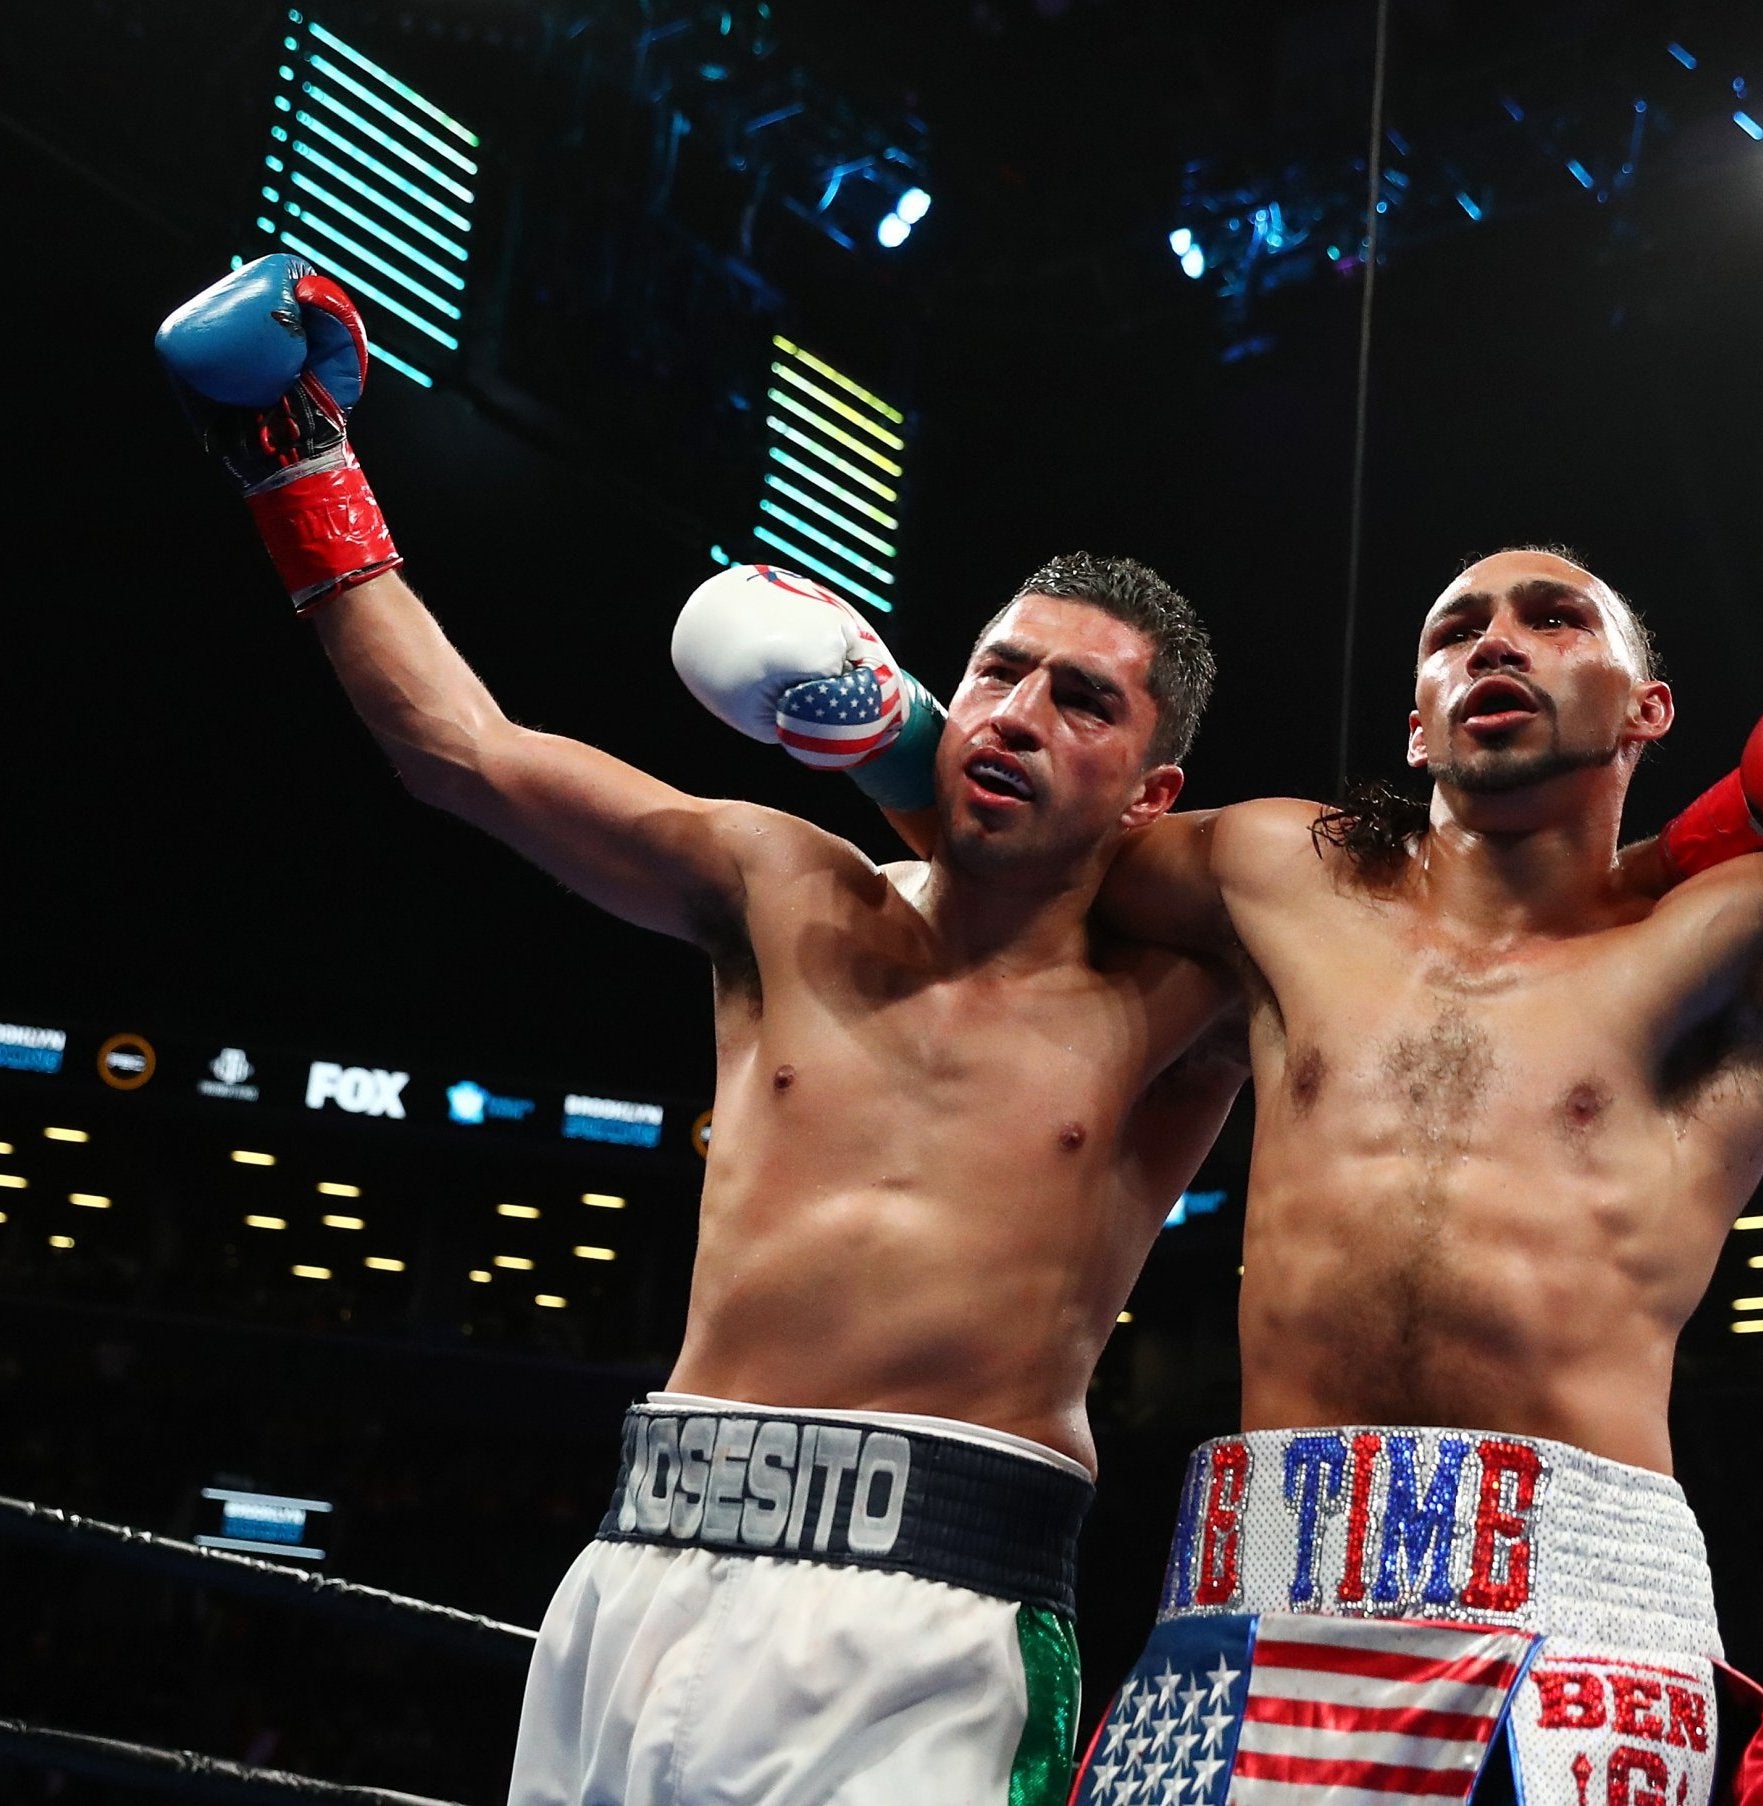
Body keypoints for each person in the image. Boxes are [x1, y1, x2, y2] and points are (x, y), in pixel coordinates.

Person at [1058, 169, 1763, 1805]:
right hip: (1250, 1594)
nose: (1493, 640)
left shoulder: (1740, 936)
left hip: (1574, 1614)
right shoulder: (1270, 874)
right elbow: (1014, 862)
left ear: (1648, 707)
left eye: (1550, 614)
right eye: (1455, 628)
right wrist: (874, 724)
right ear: (1414, 718)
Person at [155, 257, 1251, 1806]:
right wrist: (300, 465)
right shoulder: (782, 887)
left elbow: (1396, 910)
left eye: (1086, 704)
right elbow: (461, 754)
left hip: (939, 1600)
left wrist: (902, 749)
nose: (1018, 712)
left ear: (1154, 792)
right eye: (997, 674)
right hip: (653, 1558)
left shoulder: (1181, 998)